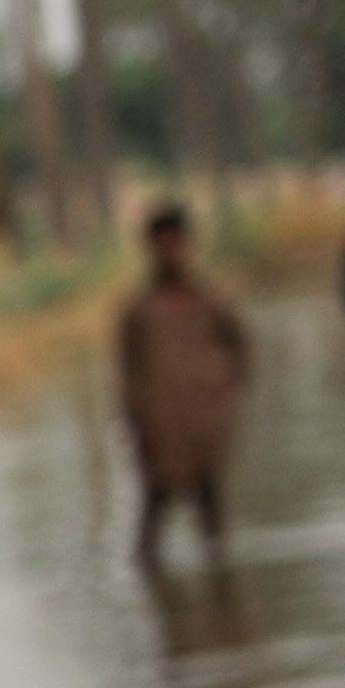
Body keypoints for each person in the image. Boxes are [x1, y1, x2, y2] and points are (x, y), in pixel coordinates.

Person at [118, 200, 251, 568]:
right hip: (160, 425)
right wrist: (134, 421)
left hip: (204, 423)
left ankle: (221, 587)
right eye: (162, 242)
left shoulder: (209, 299)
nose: (169, 250)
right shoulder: (138, 309)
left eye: (175, 240)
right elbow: (128, 371)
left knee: (211, 509)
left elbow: (241, 348)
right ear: (151, 247)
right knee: (155, 506)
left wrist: (224, 394)